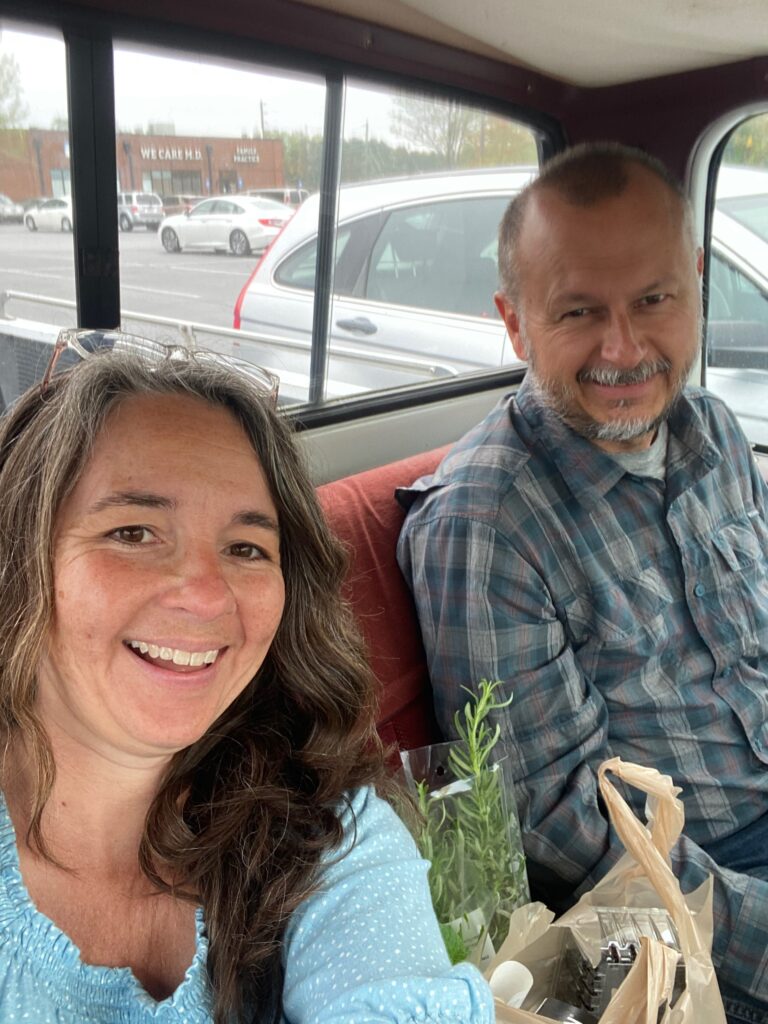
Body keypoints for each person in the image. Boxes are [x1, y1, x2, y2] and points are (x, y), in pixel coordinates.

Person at [0, 331, 495, 1024]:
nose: (205, 596)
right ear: (21, 558)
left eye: (245, 547)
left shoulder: (319, 823)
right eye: (134, 533)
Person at [397, 143, 768, 1024]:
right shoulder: (486, 526)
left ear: (697, 288)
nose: (624, 346)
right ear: (516, 322)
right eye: (577, 312)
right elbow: (567, 832)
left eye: (653, 299)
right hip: (699, 894)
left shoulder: (712, 431)